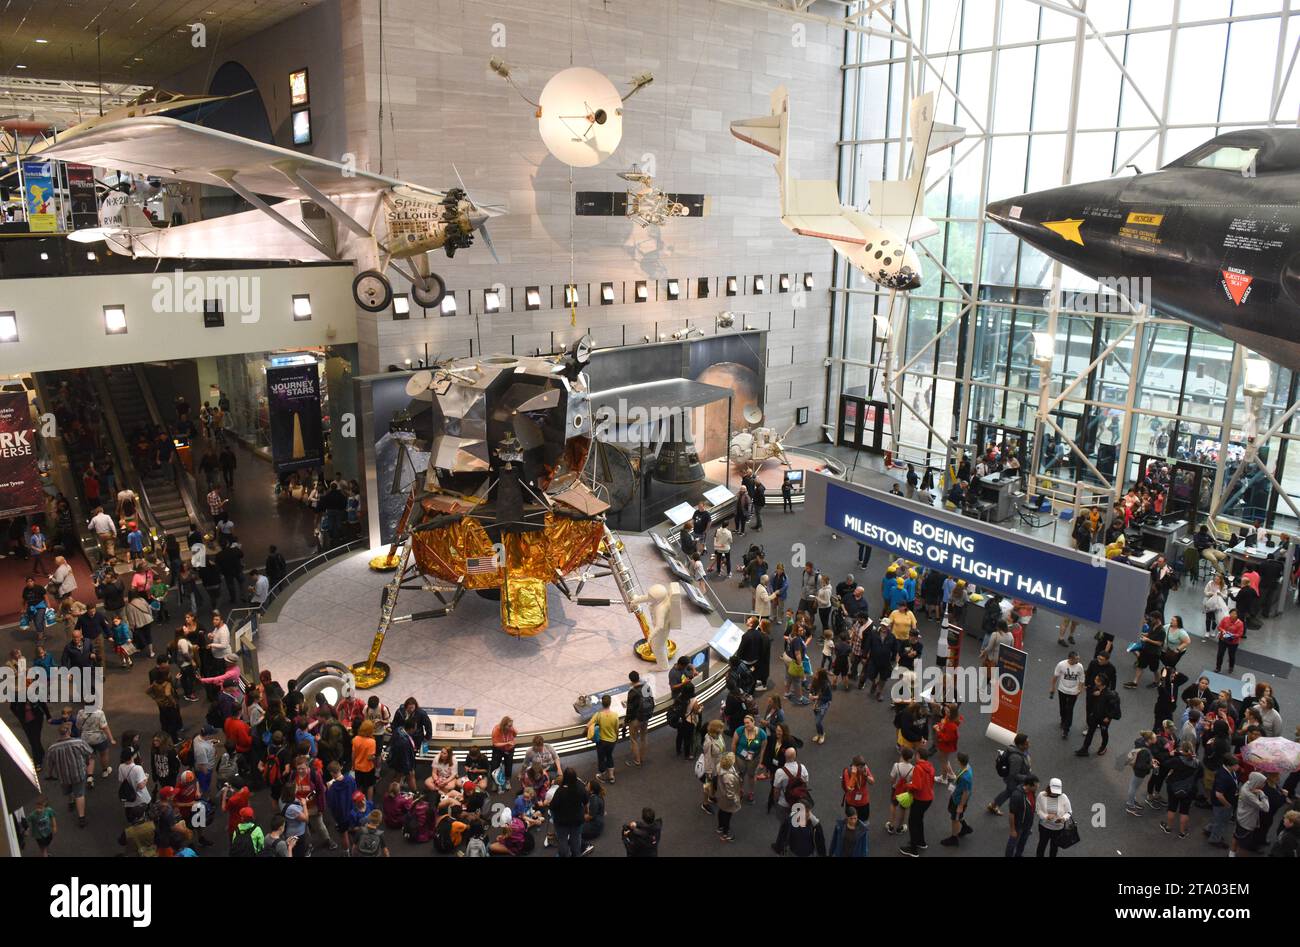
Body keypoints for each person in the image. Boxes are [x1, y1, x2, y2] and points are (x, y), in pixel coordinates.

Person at [45, 724, 93, 829]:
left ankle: (71, 801)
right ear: (69, 732)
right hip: (78, 773)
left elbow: (50, 764)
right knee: (79, 794)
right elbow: (89, 753)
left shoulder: (52, 748)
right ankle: (81, 817)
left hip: (63, 775)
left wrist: (49, 774)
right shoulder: (79, 742)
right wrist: (87, 761)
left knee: (68, 790)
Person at [1076, 673, 1121, 757]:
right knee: (1090, 732)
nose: (1094, 680)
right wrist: (1093, 694)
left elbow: (1115, 708)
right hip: (1095, 715)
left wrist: (1109, 717)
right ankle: (1084, 749)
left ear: (1101, 683)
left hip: (1104, 718)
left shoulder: (1110, 694)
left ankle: (1103, 747)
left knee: (1104, 732)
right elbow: (1090, 700)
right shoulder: (1095, 689)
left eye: (1096, 680)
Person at [988, 732, 1031, 815]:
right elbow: (1014, 775)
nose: (1029, 745)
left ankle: (993, 805)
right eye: (1027, 744)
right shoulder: (1016, 758)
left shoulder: (1019, 750)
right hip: (1014, 781)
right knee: (1012, 793)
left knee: (1008, 792)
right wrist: (1027, 778)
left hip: (1016, 779)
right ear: (1020, 745)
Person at [941, 752, 974, 847]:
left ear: (959, 761)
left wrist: (960, 806)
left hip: (959, 801)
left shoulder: (965, 777)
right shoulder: (967, 767)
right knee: (957, 815)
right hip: (956, 796)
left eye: (957, 759)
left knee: (954, 819)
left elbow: (966, 792)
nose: (955, 760)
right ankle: (965, 827)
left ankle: (954, 838)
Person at [1050, 651, 1086, 739]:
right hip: (1062, 690)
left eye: (1078, 658)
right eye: (1076, 659)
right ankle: (1063, 720)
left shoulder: (1080, 666)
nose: (1078, 660)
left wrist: (1080, 689)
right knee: (1062, 708)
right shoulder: (1061, 665)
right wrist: (1052, 687)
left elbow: (1082, 678)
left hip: (1073, 692)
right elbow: (1055, 676)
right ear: (1070, 658)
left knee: (1070, 710)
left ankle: (1066, 730)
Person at [1034, 777, 1072, 857]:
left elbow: (1069, 812)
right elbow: (1038, 809)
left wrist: (1063, 819)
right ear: (1049, 787)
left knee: (1054, 848)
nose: (1055, 793)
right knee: (1042, 845)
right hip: (1044, 827)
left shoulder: (1063, 797)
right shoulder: (1041, 795)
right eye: (1053, 791)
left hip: (1058, 829)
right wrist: (1046, 817)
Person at [624, 670, 653, 768]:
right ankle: (642, 757)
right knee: (644, 737)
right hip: (645, 716)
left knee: (634, 739)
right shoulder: (646, 687)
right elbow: (651, 700)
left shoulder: (632, 692)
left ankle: (637, 760)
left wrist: (626, 721)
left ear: (631, 680)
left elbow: (630, 709)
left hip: (635, 719)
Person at [587, 696, 619, 784]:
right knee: (609, 756)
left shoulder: (598, 715)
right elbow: (616, 729)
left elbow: (588, 725)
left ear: (602, 704)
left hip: (602, 741)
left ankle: (602, 775)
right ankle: (611, 777)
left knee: (601, 758)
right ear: (610, 703)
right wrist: (617, 737)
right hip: (612, 740)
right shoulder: (615, 715)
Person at [1005, 774, 1037, 857]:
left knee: (1023, 841)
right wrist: (1012, 830)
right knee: (1012, 843)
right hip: (1019, 825)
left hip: (1027, 824)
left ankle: (1018, 855)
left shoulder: (1031, 791)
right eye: (1036, 786)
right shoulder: (1017, 796)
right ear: (1029, 786)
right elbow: (1012, 814)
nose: (1037, 787)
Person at [713, 752, 743, 842]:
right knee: (727, 815)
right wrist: (736, 800)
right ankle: (725, 834)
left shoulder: (719, 766)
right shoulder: (728, 777)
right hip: (727, 799)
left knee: (721, 811)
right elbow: (730, 793)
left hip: (721, 796)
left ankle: (720, 827)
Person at [1215, 608, 1244, 673]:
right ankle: (1218, 668)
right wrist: (1223, 630)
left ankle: (1231, 667)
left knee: (1231, 655)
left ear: (1237, 615)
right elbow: (1219, 627)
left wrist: (1231, 635)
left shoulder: (1240, 623)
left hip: (1233, 642)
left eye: (1234, 614)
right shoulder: (1225, 619)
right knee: (1220, 654)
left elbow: (1240, 634)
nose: (1232, 615)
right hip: (1223, 639)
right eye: (1231, 613)